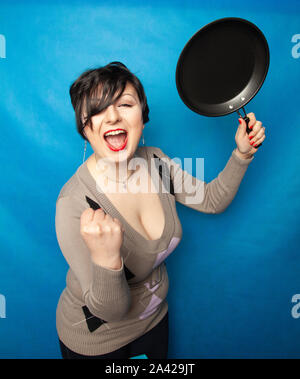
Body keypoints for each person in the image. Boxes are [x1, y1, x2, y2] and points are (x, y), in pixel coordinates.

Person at [55, 61, 266, 359]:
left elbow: (211, 199)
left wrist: (242, 154)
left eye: (125, 104)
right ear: (85, 128)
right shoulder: (73, 203)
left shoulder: (156, 162)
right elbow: (110, 311)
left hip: (154, 324)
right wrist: (106, 259)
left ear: (142, 118)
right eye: (99, 109)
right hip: (98, 342)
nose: (113, 116)